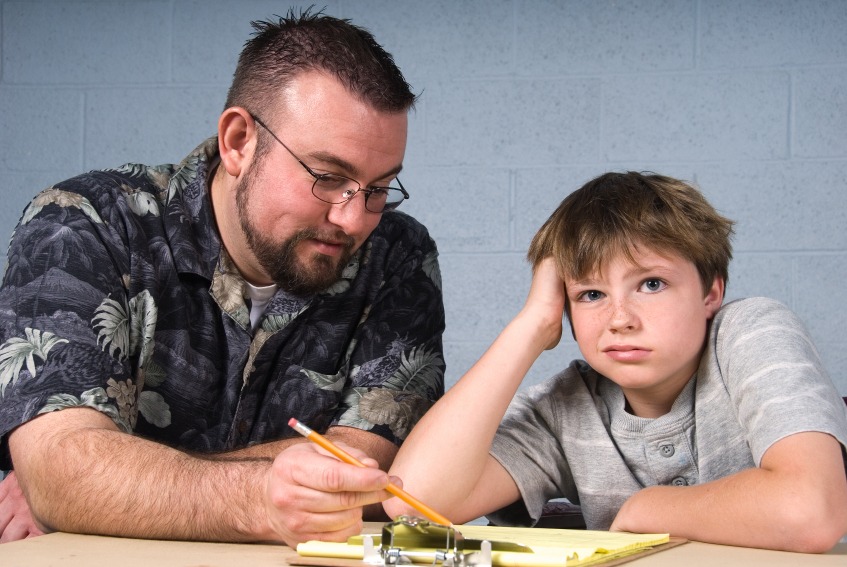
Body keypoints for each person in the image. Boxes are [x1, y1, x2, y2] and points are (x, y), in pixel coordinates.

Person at [0, 9, 445, 546]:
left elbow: (366, 466)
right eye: (327, 178)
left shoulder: (397, 254)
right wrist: (254, 496)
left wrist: (109, 475)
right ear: (238, 141)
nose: (354, 220)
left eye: (378, 188)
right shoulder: (81, 224)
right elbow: (63, 475)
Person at [385, 171, 847, 552]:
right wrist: (532, 326)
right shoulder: (565, 408)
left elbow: (809, 510)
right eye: (590, 294)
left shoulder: (752, 332)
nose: (620, 319)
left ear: (711, 292)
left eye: (651, 284)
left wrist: (647, 508)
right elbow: (412, 500)